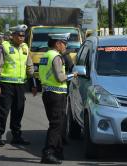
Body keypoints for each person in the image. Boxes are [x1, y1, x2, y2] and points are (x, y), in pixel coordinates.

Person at [0, 24, 37, 147]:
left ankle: (16, 136)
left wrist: (33, 85)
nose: (22, 38)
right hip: (6, 84)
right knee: (3, 111)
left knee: (18, 111)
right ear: (13, 36)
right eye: (19, 35)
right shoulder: (4, 47)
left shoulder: (25, 47)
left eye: (23, 35)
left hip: (20, 85)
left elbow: (30, 67)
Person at [39, 33, 77, 164]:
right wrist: (73, 74)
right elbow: (60, 78)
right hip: (56, 94)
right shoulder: (56, 57)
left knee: (57, 124)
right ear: (57, 43)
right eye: (64, 43)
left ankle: (58, 151)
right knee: (56, 125)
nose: (65, 46)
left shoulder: (45, 56)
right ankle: (48, 153)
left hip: (47, 93)